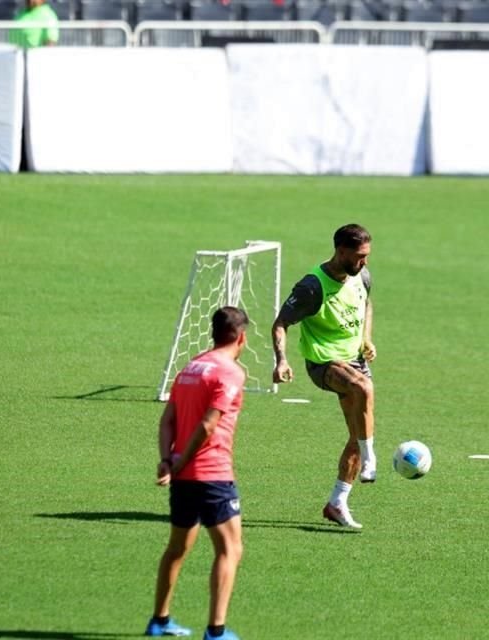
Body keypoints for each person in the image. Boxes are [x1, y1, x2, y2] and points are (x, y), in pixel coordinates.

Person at [146, 306, 248, 640]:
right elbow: (208, 425)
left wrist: (168, 459)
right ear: (242, 337)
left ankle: (159, 621)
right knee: (230, 549)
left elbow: (166, 421)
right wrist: (180, 460)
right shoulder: (229, 372)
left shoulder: (190, 367)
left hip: (183, 478)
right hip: (212, 474)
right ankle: (216, 631)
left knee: (177, 548)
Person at [271, 224, 376, 530]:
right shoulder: (312, 287)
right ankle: (372, 460)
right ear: (341, 251)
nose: (364, 262)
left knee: (358, 433)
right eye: (359, 256)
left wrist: (367, 338)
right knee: (364, 387)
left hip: (355, 360)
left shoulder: (362, 277)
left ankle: (337, 502)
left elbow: (367, 305)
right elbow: (281, 323)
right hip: (324, 364)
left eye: (367, 256)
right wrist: (282, 361)